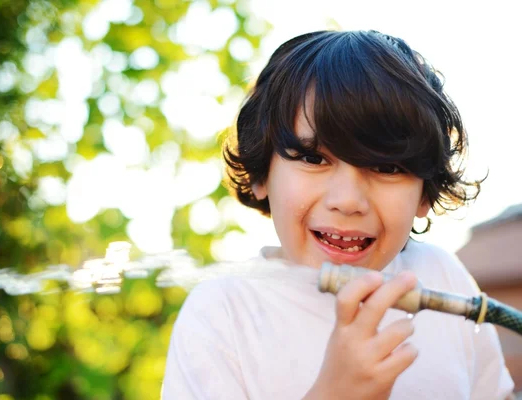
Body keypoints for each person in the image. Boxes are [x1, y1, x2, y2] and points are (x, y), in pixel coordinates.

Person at [161, 30, 515, 399]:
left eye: (388, 168)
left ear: (424, 193)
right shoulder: (223, 313)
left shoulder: (441, 276)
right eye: (314, 159)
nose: (348, 201)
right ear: (261, 173)